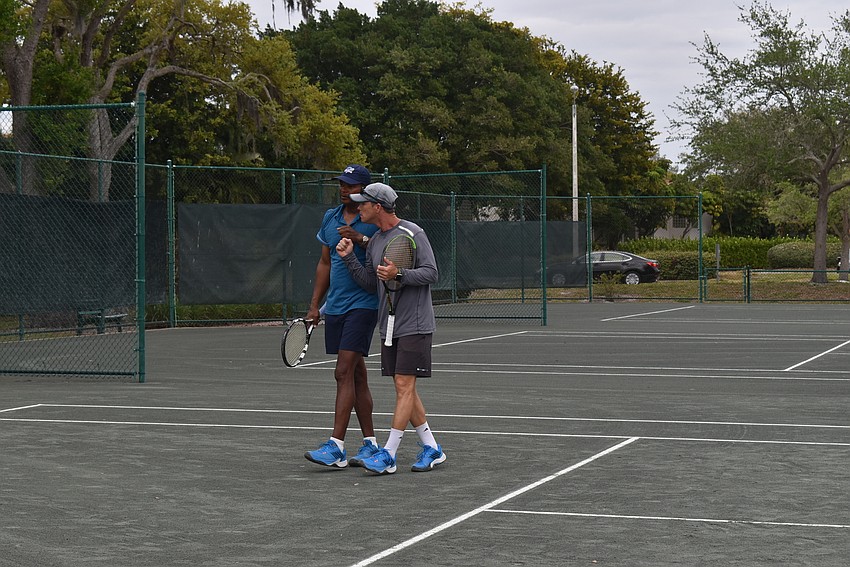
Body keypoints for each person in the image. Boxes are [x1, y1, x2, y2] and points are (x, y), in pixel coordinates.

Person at [337, 182, 446, 474]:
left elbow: (432, 272)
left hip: (416, 322)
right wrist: (348, 259)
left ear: (378, 207)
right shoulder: (374, 242)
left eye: (363, 203)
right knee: (405, 388)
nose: (358, 206)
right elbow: (373, 283)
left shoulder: (413, 233)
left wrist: (400, 273)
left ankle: (389, 454)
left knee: (403, 385)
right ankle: (432, 448)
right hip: (389, 324)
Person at [304, 165, 382, 469]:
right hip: (335, 306)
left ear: (364, 189)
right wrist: (315, 305)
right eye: (341, 184)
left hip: (364, 305)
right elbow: (324, 263)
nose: (343, 189)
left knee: (342, 371)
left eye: (350, 185)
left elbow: (385, 250)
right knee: (357, 375)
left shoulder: (373, 220)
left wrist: (360, 240)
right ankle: (370, 444)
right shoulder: (330, 217)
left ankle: (335, 446)